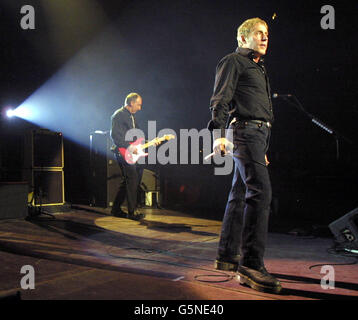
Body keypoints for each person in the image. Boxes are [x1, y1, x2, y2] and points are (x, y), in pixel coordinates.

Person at [208, 18, 282, 294]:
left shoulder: (258, 67)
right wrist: (218, 136)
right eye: (258, 34)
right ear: (242, 39)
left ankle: (227, 256)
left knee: (240, 193)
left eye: (266, 34)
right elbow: (220, 100)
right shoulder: (233, 61)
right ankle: (251, 265)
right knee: (260, 192)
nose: (265, 38)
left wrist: (261, 149)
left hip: (256, 137)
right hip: (244, 132)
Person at [110, 92, 145, 220]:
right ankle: (132, 212)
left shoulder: (132, 116)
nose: (140, 108)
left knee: (129, 179)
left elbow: (137, 137)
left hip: (131, 151)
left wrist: (149, 143)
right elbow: (115, 136)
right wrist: (130, 147)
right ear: (131, 103)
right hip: (122, 151)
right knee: (132, 178)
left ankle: (115, 208)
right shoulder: (118, 115)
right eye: (138, 105)